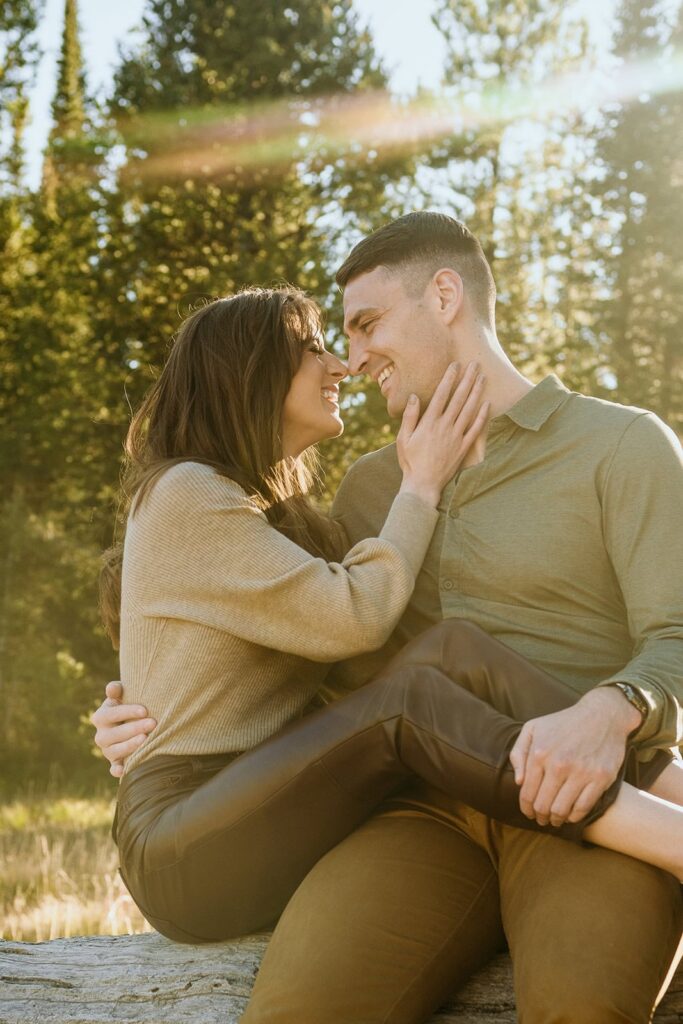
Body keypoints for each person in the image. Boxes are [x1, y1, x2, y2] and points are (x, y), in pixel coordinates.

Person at [93, 216, 683, 1023]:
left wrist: (615, 709)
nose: (352, 358)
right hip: (413, 809)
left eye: (366, 326)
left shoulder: (619, 444)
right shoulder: (373, 490)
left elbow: (676, 635)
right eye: (336, 338)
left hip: (583, 798)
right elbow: (316, 657)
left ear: (444, 296)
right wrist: (139, 706)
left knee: (581, 1010)